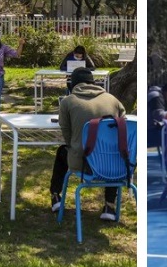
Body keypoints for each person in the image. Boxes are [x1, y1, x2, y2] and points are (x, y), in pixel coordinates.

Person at [50, 67, 127, 221]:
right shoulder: (113, 100)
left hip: (84, 164)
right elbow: (123, 128)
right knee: (112, 154)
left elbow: (67, 134)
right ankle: (109, 205)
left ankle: (55, 196)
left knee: (62, 152)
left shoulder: (67, 102)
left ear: (73, 84)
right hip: (113, 165)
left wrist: (74, 144)